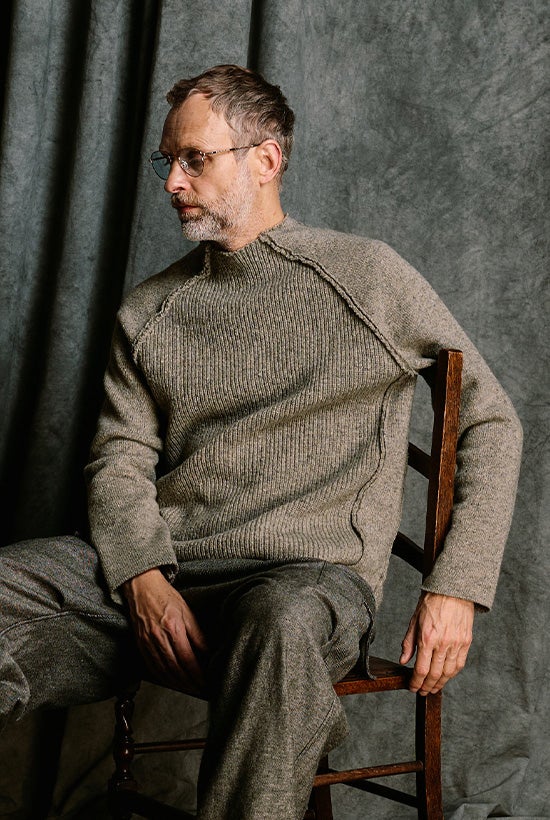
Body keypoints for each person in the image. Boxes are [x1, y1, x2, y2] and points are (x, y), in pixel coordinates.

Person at [0, 65, 522, 819]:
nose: (172, 182)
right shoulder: (150, 310)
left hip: (307, 584)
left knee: (281, 624)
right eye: (166, 161)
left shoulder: (367, 277)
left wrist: (457, 585)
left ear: (266, 159)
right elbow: (118, 459)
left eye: (195, 159)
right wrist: (143, 577)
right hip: (166, 578)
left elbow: (491, 420)